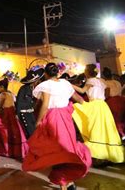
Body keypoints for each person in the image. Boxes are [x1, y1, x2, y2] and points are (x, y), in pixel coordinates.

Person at [22, 62, 91, 190]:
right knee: (67, 149)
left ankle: (64, 183)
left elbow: (45, 105)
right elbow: (78, 98)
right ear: (58, 72)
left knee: (55, 151)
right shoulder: (65, 83)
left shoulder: (46, 85)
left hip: (53, 119)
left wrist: (38, 121)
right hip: (66, 118)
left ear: (46, 74)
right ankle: (67, 181)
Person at [71, 64, 124, 163]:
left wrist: (70, 85)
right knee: (105, 128)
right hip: (103, 106)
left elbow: (82, 90)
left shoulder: (90, 81)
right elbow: (106, 91)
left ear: (87, 72)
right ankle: (107, 152)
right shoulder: (101, 80)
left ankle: (98, 153)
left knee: (95, 129)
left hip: (95, 106)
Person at [0, 78, 28, 159]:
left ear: (2, 87)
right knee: (13, 132)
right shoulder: (10, 94)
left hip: (5, 114)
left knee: (2, 132)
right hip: (12, 114)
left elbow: (0, 106)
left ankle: (5, 150)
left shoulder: (2, 94)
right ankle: (14, 151)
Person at [16, 68, 44, 138]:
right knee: (29, 133)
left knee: (34, 132)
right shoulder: (23, 89)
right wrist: (18, 113)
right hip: (24, 114)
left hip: (30, 114)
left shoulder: (32, 88)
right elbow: (19, 102)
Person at [102, 67, 125, 140]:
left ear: (104, 76)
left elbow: (107, 94)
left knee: (115, 118)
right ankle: (123, 133)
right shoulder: (117, 82)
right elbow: (121, 91)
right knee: (122, 117)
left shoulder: (105, 83)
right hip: (121, 100)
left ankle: (120, 134)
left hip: (112, 101)